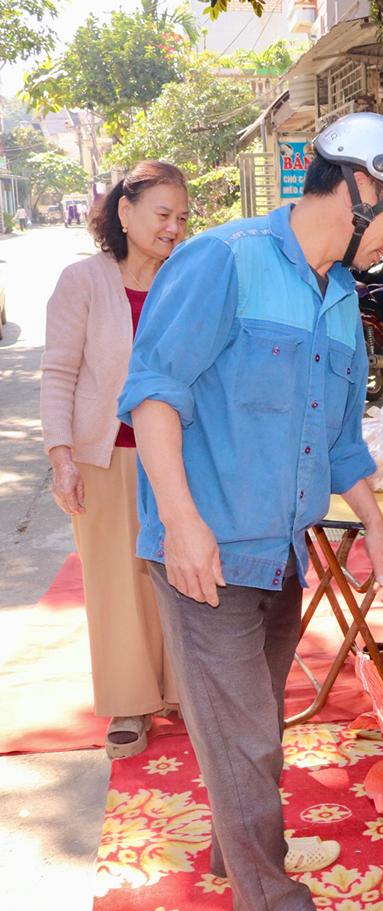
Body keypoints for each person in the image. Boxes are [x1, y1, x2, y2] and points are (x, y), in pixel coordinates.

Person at [117, 111, 383, 911]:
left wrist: (375, 524)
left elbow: (339, 440)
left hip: (281, 554)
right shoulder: (225, 259)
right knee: (244, 736)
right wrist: (183, 523)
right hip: (208, 549)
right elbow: (153, 395)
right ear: (361, 187)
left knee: (254, 727)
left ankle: (235, 853)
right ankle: (269, 896)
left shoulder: (341, 298)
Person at [41, 161, 189, 759]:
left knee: (182, 573)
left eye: (181, 217)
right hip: (105, 456)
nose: (174, 228)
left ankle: (183, 689)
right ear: (124, 213)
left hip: (178, 459)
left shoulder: (187, 280)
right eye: (162, 215)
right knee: (115, 581)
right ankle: (130, 703)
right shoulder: (83, 282)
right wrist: (61, 458)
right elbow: (57, 375)